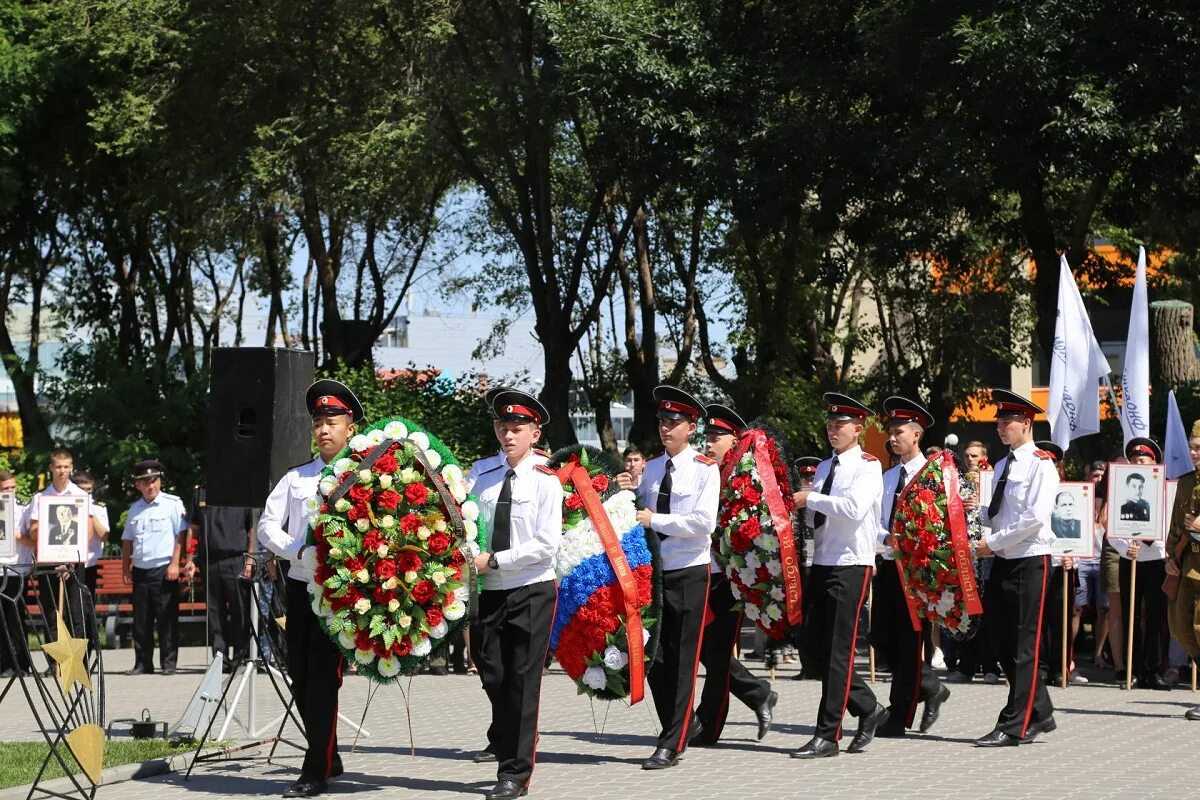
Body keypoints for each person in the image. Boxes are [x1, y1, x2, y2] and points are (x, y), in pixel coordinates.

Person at [258, 379, 363, 797]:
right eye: (318, 421)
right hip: (301, 587)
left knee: (322, 678)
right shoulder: (297, 477)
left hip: (341, 595)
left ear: (350, 427)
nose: (323, 429)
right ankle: (328, 752)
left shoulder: (366, 477)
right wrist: (295, 551)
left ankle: (314, 770)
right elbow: (267, 524)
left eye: (332, 421)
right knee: (299, 676)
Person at [467, 388, 562, 800]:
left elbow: (546, 544)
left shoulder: (547, 480)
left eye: (518, 428)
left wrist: (497, 560)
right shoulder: (482, 478)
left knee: (523, 681)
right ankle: (508, 746)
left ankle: (515, 772)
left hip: (531, 588)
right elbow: (466, 527)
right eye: (503, 427)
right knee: (492, 672)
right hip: (490, 590)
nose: (509, 434)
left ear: (534, 434)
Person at [617, 385, 718, 770]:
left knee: (683, 658)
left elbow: (702, 523)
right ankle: (676, 726)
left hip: (690, 570)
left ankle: (671, 742)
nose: (666, 428)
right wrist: (627, 494)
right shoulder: (654, 467)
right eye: (662, 421)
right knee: (655, 656)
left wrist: (654, 519)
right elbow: (637, 513)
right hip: (654, 573)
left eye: (674, 422)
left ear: (691, 427)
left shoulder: (706, 470)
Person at [790, 392, 886, 759]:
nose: (833, 430)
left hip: (851, 562)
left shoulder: (867, 464)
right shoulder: (827, 466)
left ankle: (828, 735)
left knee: (838, 651)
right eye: (830, 424)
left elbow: (853, 507)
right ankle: (867, 707)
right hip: (825, 561)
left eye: (840, 425)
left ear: (858, 429)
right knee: (814, 646)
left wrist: (809, 499)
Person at [967, 389, 1057, 747]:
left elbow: (1035, 518)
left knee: (1023, 645)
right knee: (1000, 638)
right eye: (999, 423)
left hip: (1030, 559)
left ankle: (1012, 724)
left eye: (1008, 422)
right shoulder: (1001, 466)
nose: (1001, 428)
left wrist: (994, 542)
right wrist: (976, 524)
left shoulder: (1041, 464)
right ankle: (1041, 709)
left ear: (1026, 423)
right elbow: (994, 513)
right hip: (1002, 559)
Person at [689, 403, 776, 747]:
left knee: (716, 649)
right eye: (706, 437)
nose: (709, 444)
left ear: (734, 439)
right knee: (706, 651)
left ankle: (709, 726)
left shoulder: (747, 475)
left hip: (731, 576)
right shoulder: (708, 471)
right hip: (705, 570)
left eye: (716, 437)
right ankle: (758, 693)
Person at [872, 396, 950, 738]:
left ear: (916, 435)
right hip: (889, 564)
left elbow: (946, 521)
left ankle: (898, 713)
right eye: (890, 431)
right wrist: (886, 538)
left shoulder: (934, 475)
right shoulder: (887, 476)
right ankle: (930, 686)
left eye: (898, 431)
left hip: (917, 570)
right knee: (879, 637)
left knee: (908, 641)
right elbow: (873, 520)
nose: (892, 437)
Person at [27, 449, 106, 651]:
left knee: (75, 613)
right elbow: (33, 531)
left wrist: (72, 558)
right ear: (51, 468)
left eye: (66, 467)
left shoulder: (80, 495)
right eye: (58, 467)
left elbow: (87, 531)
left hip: (75, 561)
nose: (62, 471)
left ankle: (77, 662)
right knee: (52, 613)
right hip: (48, 561)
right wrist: (48, 525)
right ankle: (56, 662)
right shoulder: (41, 498)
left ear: (71, 468)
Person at [121, 459, 190, 675]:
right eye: (145, 482)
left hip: (163, 568)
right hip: (141, 569)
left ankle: (168, 663)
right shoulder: (134, 510)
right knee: (141, 620)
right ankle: (143, 662)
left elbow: (181, 535)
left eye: (154, 481)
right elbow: (127, 541)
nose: (151, 486)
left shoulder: (172, 504)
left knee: (166, 618)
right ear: (138, 485)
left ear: (159, 482)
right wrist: (125, 568)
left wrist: (174, 564)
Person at [1111, 437, 1169, 690]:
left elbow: (1171, 525)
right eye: (1134, 461)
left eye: (1143, 461)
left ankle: (1154, 669)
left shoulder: (1165, 490)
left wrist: (1160, 548)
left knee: (1156, 616)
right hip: (1130, 558)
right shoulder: (1119, 491)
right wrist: (1126, 547)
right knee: (1130, 615)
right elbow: (1111, 529)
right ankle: (1132, 669)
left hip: (1157, 558)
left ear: (1153, 463)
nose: (1138, 464)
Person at [190, 486, 254, 671]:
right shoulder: (201, 492)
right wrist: (191, 558)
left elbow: (252, 528)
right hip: (209, 561)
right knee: (214, 613)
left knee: (240, 611)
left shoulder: (244, 492)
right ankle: (220, 658)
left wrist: (250, 560)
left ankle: (240, 657)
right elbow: (194, 528)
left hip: (236, 559)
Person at [1165, 420, 1200, 719]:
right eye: (1192, 447)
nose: (1194, 452)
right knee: (1181, 627)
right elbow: (1177, 525)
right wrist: (1170, 556)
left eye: (1199, 448)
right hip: (1188, 564)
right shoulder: (1187, 482)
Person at [0, 470, 33, 676]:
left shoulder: (23, 509)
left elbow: (34, 540)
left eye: (13, 487)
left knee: (17, 620)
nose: (10, 492)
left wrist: (16, 535)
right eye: (5, 489)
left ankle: (21, 664)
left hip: (17, 571)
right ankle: (4, 664)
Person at [73, 472, 110, 598]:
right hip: (69, 563)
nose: (86, 494)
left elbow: (103, 536)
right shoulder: (66, 505)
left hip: (89, 563)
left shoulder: (98, 508)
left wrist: (90, 513)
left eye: (89, 490)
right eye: (82, 490)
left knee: (88, 606)